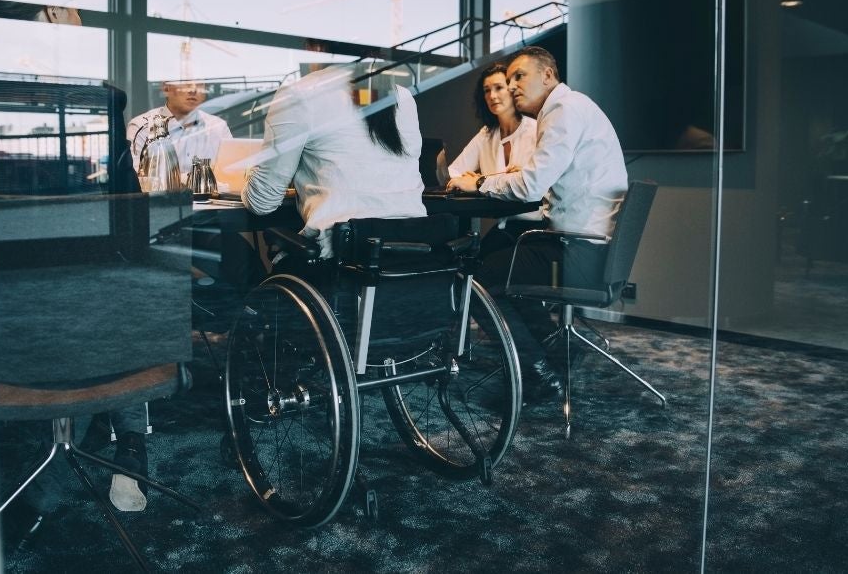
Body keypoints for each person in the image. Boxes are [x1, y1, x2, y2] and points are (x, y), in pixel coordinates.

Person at [448, 46, 628, 403]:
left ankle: (538, 372)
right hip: (588, 247)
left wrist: (481, 182)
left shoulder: (562, 110)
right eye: (508, 79)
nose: (512, 86)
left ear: (548, 75)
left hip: (579, 250)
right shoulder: (572, 107)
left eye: (520, 76)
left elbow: (531, 185)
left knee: (475, 279)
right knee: (498, 263)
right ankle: (554, 349)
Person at [242, 66, 425, 262]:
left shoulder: (301, 94)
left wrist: (250, 171)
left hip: (342, 263)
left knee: (242, 262)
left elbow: (262, 202)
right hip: (411, 256)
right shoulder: (403, 97)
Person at [445, 63, 542, 256]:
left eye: (499, 88)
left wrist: (480, 181)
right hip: (504, 227)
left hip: (536, 227)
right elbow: (454, 173)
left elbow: (536, 184)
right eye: (486, 90)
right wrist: (468, 178)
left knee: (478, 265)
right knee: (465, 258)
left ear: (513, 90)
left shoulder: (535, 130)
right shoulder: (487, 134)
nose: (492, 96)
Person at [127, 80, 232, 177]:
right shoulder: (143, 127)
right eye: (185, 82)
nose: (193, 89)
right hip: (159, 197)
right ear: (166, 88)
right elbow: (137, 180)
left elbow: (232, 175)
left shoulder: (218, 127)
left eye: (200, 83)